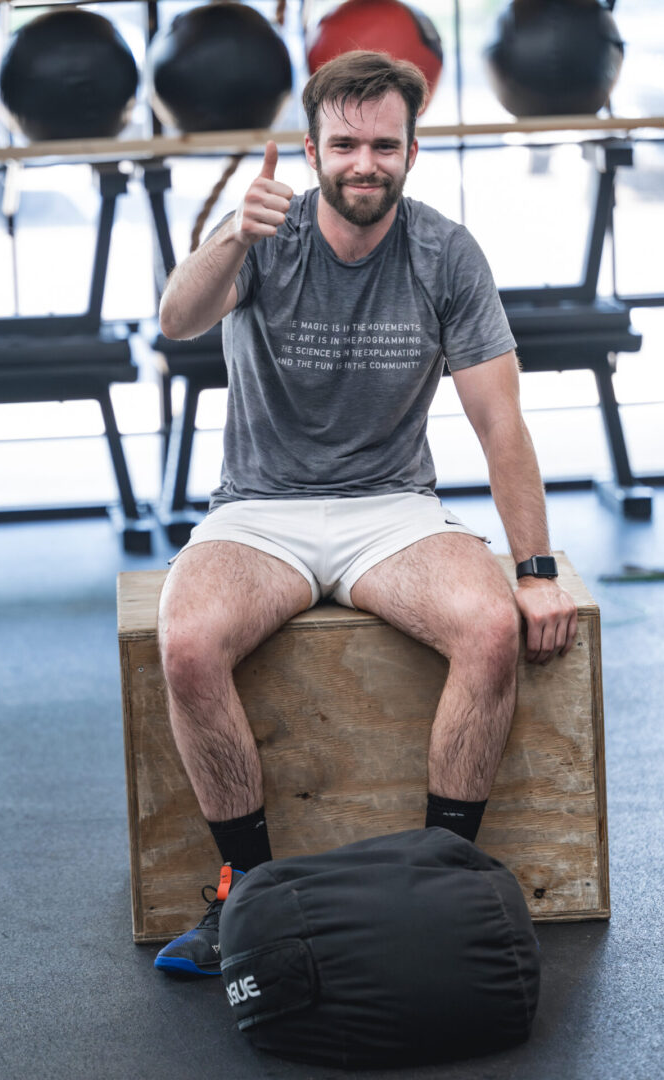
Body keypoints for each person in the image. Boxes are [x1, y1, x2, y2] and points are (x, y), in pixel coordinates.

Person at [153, 50, 577, 976]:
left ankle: (444, 874)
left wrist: (535, 572)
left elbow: (498, 419)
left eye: (383, 145)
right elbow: (176, 321)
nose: (364, 163)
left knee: (489, 628)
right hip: (259, 510)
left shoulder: (443, 252)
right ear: (311, 150)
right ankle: (246, 896)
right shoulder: (265, 237)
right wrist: (231, 236)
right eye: (344, 144)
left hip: (391, 509)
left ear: (411, 152)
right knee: (184, 642)